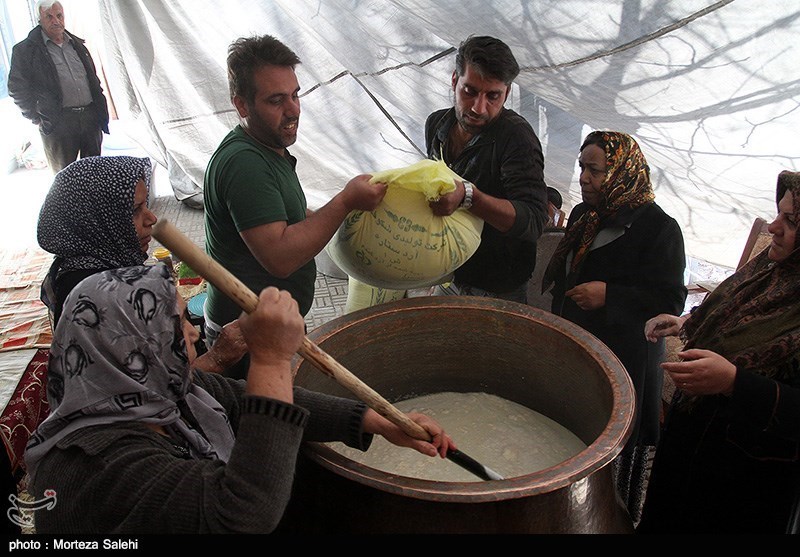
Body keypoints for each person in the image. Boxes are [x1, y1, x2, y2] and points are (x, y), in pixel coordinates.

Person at [23, 266, 453, 534]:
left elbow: (238, 397)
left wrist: (376, 422)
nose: (193, 331)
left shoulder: (152, 396)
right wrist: (270, 357)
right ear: (131, 351)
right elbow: (244, 514)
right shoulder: (96, 465)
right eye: (177, 324)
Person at [203, 35, 387, 378]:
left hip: (270, 326)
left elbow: (286, 214)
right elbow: (280, 258)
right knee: (260, 424)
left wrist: (344, 218)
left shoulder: (268, 147)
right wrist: (345, 201)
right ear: (242, 106)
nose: (293, 110)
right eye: (276, 100)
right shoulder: (245, 164)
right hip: (243, 337)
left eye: (295, 94)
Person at [637, 170, 800, 534]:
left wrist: (733, 382)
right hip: (693, 443)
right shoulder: (774, 269)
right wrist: (690, 323)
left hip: (745, 476)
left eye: (790, 221)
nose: (773, 227)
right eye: (778, 213)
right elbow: (739, 313)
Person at [541, 131, 687, 522]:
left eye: (595, 170)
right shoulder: (584, 215)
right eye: (581, 167)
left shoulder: (660, 229)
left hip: (626, 356)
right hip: (580, 345)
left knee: (614, 449)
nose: (584, 178)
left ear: (623, 172)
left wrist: (611, 296)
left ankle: (608, 520)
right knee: (574, 433)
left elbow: (671, 300)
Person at [36, 155, 244, 374]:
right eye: (135, 211)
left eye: (146, 205)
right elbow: (153, 388)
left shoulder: (106, 263)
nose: (151, 218)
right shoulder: (99, 296)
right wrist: (218, 358)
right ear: (98, 219)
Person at [426, 35, 549, 304]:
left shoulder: (517, 139)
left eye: (493, 96)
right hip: (448, 274)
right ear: (454, 80)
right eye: (469, 91)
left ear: (506, 93)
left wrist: (471, 198)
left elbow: (533, 221)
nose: (478, 108)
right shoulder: (437, 126)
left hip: (498, 287)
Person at [7, 0, 110, 173]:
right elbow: (17, 88)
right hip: (58, 123)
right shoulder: (25, 51)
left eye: (59, 15)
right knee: (64, 179)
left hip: (89, 119)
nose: (56, 21)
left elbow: (93, 80)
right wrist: (36, 116)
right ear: (39, 19)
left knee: (94, 174)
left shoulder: (77, 45)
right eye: (49, 16)